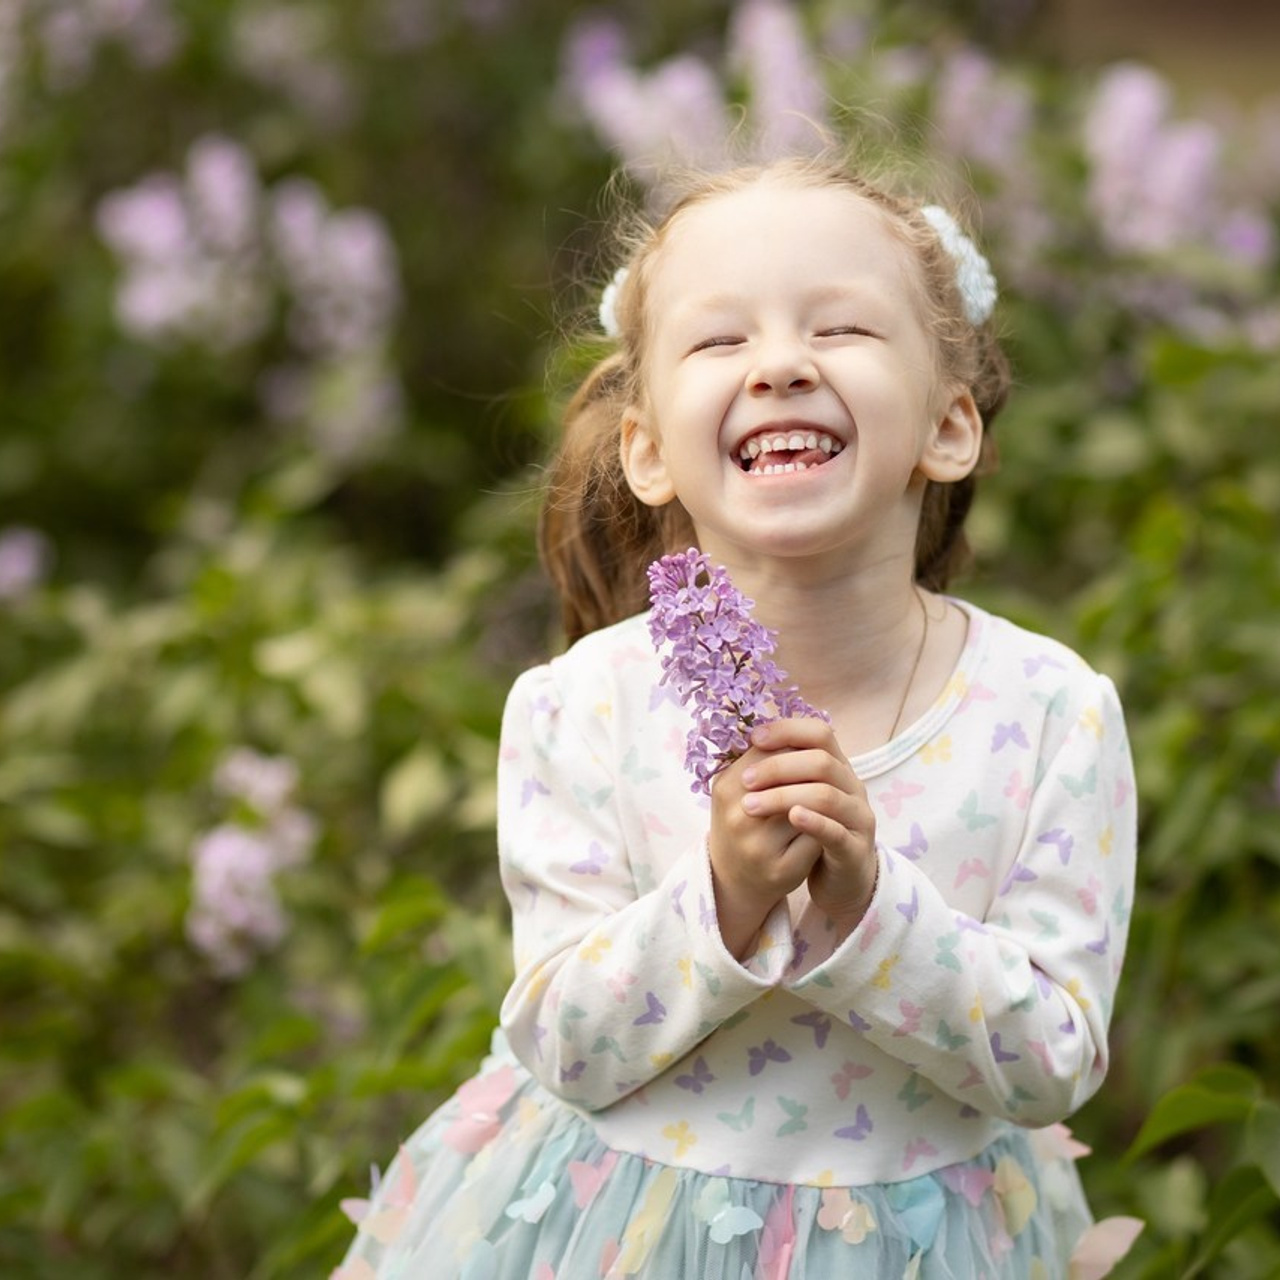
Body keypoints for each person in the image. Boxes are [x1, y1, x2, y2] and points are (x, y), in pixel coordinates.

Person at [335, 152, 1142, 1279]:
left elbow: (1053, 1059)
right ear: (648, 449)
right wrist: (723, 899)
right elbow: (563, 1040)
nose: (779, 365)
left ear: (947, 426)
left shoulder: (1050, 713)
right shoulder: (578, 707)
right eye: (720, 340)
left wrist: (872, 915)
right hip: (615, 1233)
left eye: (842, 328)